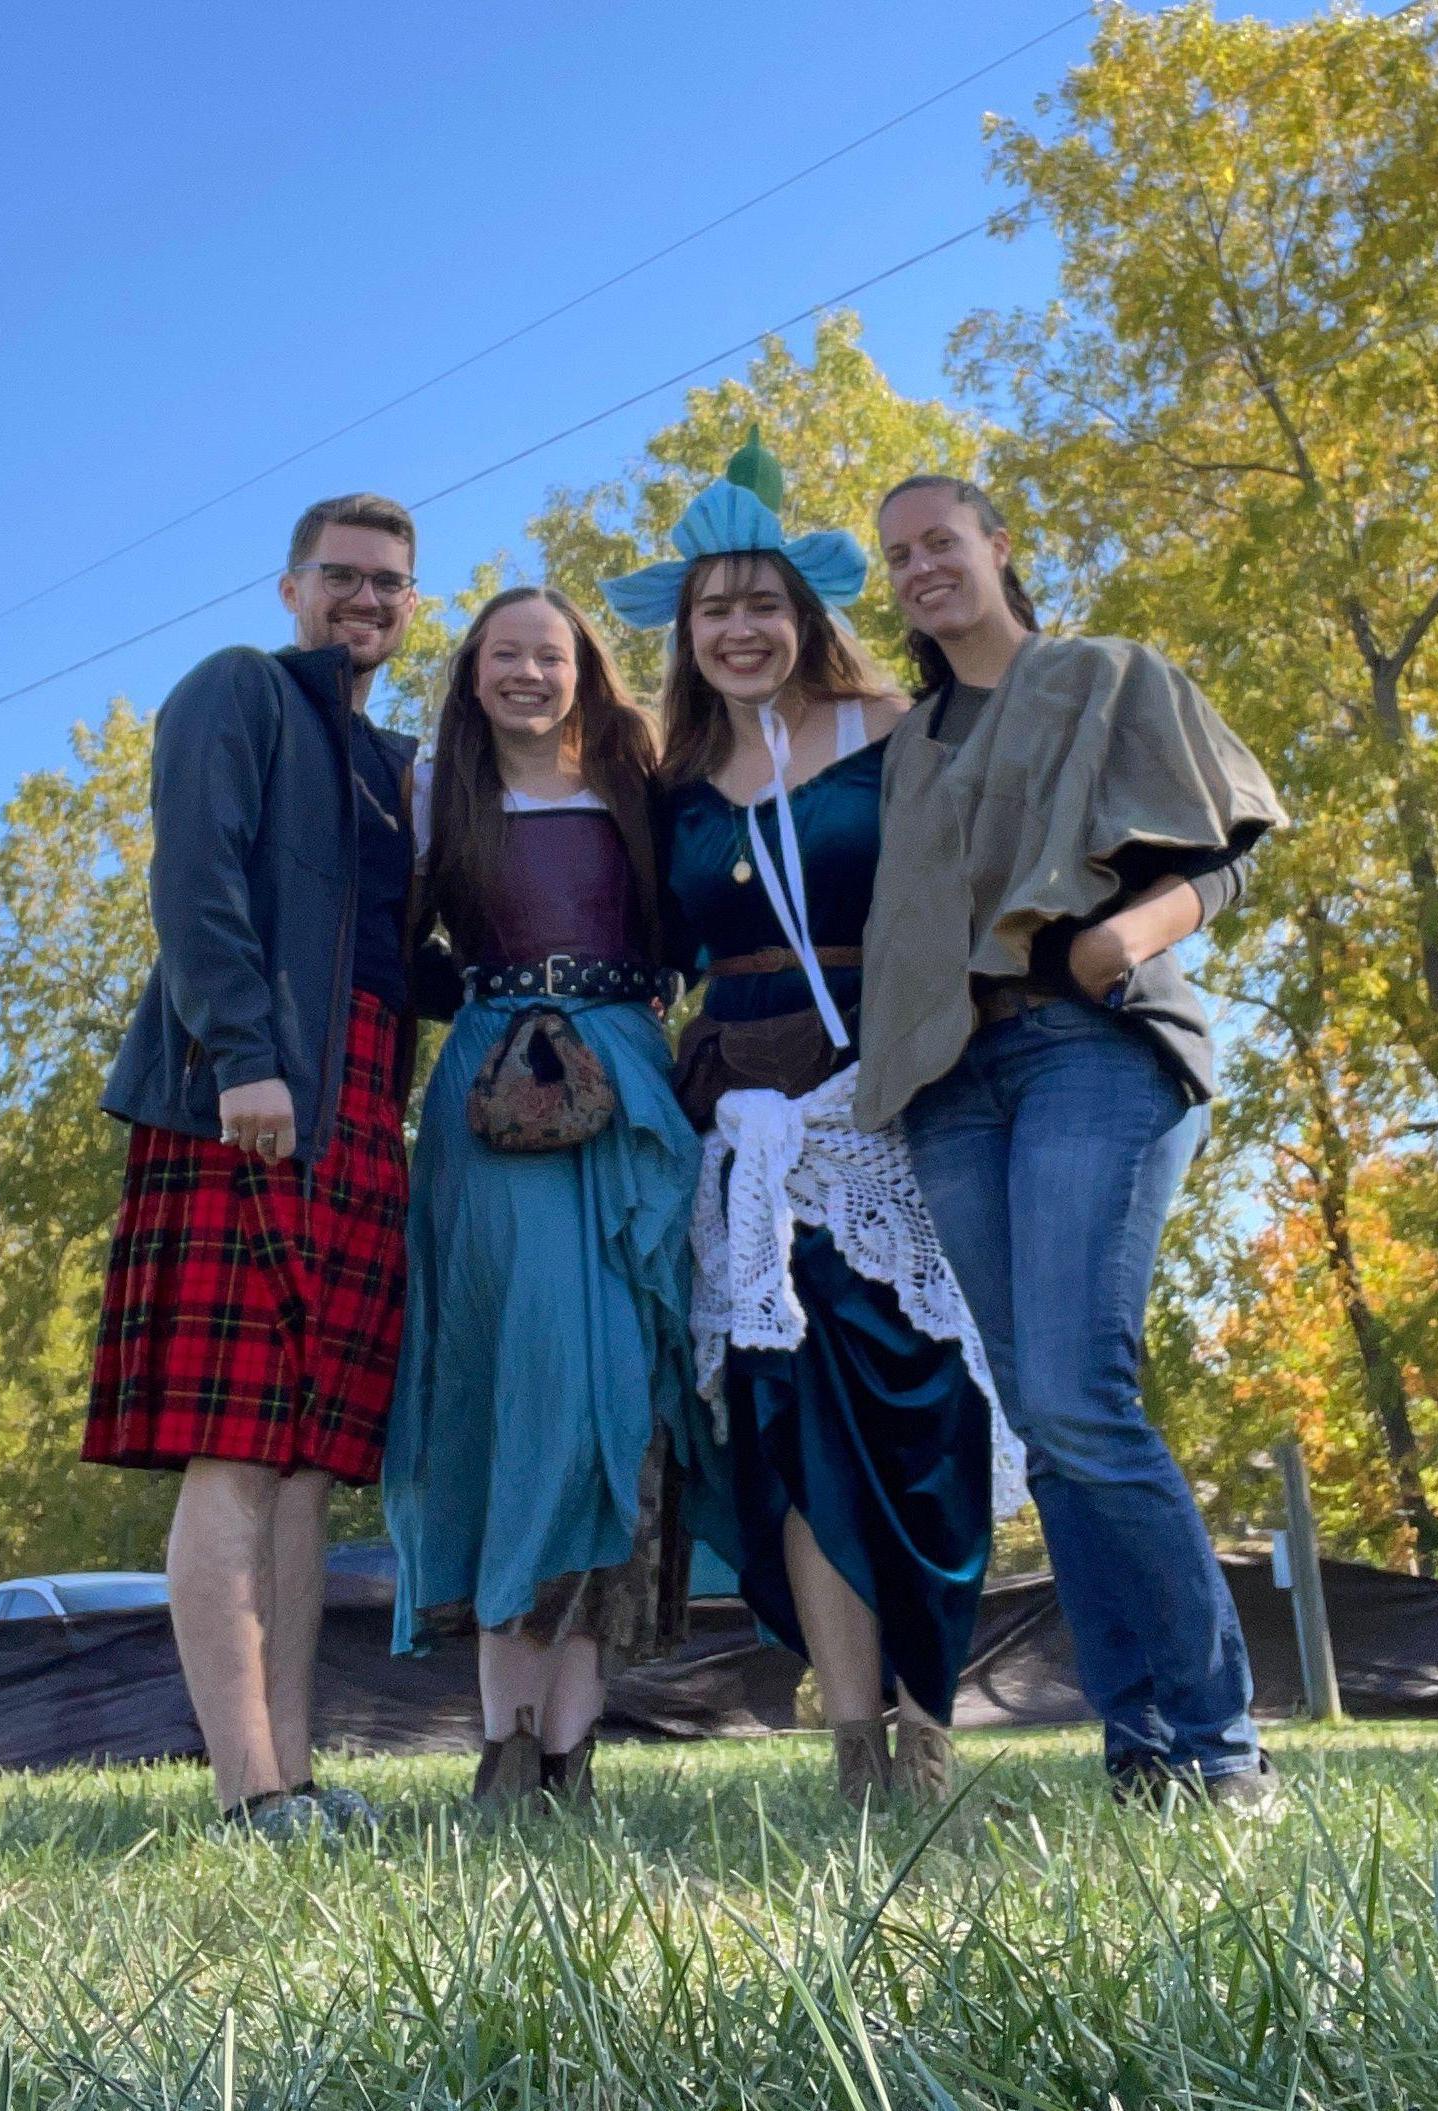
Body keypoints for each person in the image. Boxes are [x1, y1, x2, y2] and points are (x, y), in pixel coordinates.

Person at [859, 473, 1288, 1810]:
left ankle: (1221, 1748)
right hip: (953, 1083)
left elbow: (1231, 851)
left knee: (1087, 1396)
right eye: (899, 555)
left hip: (1091, 1049)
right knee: (1043, 1425)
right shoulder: (910, 749)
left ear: (997, 548)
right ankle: (1142, 1749)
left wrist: (1121, 938)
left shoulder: (1110, 675)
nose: (923, 566)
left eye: (942, 541)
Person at [608, 433, 1007, 1807]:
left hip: (888, 1107)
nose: (739, 629)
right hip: (752, 1132)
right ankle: (850, 1739)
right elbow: (639, 948)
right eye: (714, 609)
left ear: (806, 613)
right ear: (685, 628)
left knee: (923, 1409)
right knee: (792, 1423)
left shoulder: (896, 729)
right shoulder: (662, 785)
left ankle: (928, 1721)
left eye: (763, 604)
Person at [83, 493, 422, 1842]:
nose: (367, 600)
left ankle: (294, 1774)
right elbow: (197, 880)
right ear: (291, 587)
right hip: (254, 1090)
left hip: (359, 1104)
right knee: (235, 1446)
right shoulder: (241, 693)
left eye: (391, 583)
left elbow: (400, 955)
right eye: (342, 576)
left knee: (305, 1464)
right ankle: (243, 1785)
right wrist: (243, 1055)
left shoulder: (392, 763)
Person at [380, 587, 702, 1812]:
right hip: (493, 1094)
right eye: (503, 654)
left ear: (586, 671)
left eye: (549, 654)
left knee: (615, 1391)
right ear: (470, 674)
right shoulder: (430, 796)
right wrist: (483, 997)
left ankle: (569, 1750)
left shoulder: (647, 782)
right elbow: (384, 942)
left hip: (628, 1074)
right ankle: (503, 1745)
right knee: (517, 1384)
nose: (527, 672)